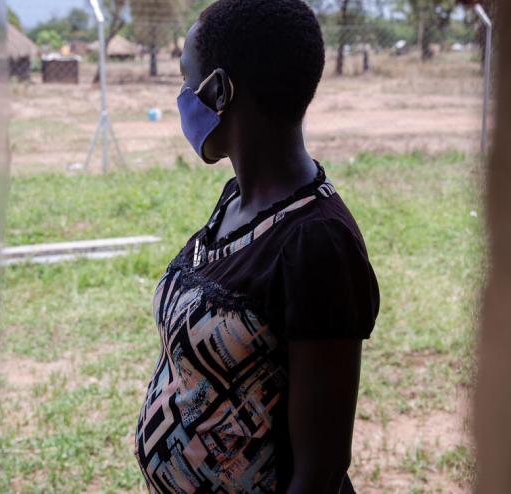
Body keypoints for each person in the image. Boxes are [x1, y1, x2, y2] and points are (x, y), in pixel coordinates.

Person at [133, 1, 380, 492]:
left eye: (188, 79)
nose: (183, 96)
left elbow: (320, 468)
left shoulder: (316, 241)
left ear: (220, 90)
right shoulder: (235, 202)